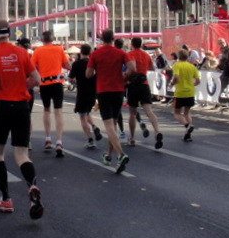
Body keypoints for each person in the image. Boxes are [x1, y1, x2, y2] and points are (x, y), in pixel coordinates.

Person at [0, 19, 43, 218]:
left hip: (1, 106)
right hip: (21, 106)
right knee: (22, 155)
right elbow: (37, 79)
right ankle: (32, 185)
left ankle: (6, 199)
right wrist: (21, 84)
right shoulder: (22, 52)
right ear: (9, 33)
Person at [85, 29, 129, 173]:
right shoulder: (121, 53)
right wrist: (124, 76)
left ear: (101, 39)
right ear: (113, 39)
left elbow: (88, 74)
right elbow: (133, 68)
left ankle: (120, 154)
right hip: (118, 91)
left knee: (108, 124)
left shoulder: (96, 54)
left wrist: (98, 71)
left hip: (104, 91)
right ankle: (109, 155)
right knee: (114, 124)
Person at [31, 29, 70, 157]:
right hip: (57, 83)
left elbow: (32, 67)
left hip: (44, 84)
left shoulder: (37, 51)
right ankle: (59, 141)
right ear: (53, 39)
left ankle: (48, 138)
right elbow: (67, 65)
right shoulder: (59, 50)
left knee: (46, 110)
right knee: (58, 111)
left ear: (42, 40)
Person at [125, 37, 163, 149]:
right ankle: (157, 132)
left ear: (132, 44)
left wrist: (125, 77)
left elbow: (132, 69)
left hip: (133, 85)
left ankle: (132, 138)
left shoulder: (130, 54)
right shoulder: (146, 55)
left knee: (132, 112)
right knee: (149, 111)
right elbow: (152, 68)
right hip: (144, 83)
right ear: (141, 44)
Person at [68, 43, 103, 149]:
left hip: (82, 92)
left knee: (82, 116)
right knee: (87, 112)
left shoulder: (77, 64)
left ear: (81, 52)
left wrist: (74, 80)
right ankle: (94, 126)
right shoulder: (93, 63)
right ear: (90, 52)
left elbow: (70, 79)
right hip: (93, 92)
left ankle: (90, 139)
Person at [169, 49, 200, 142]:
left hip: (180, 92)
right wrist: (191, 85)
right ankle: (188, 134)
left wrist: (172, 83)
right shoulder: (192, 66)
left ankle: (187, 126)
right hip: (190, 92)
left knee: (176, 113)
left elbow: (176, 76)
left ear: (179, 57)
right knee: (187, 113)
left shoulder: (177, 65)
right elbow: (198, 81)